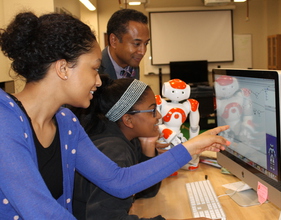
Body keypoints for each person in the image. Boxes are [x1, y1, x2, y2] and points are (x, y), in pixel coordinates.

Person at [0, 11, 229, 219]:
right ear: (63, 68)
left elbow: (119, 180)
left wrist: (193, 147)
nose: (99, 80)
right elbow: (43, 214)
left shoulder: (65, 122)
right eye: (94, 69)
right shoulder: (4, 123)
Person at [72, 75, 205, 220]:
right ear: (128, 120)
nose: (159, 116)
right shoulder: (114, 151)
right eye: (153, 110)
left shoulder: (126, 138)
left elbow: (146, 191)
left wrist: (148, 147)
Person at [100, 9, 149, 80]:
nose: (143, 52)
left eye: (146, 43)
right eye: (136, 44)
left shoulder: (133, 64)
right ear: (114, 41)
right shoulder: (96, 71)